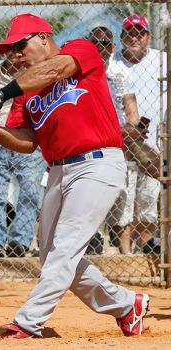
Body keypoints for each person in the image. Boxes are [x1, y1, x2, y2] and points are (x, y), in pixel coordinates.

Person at [0, 13, 149, 338]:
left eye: (21, 45)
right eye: (12, 50)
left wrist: (2, 93)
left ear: (44, 38)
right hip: (58, 170)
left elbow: (52, 70)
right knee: (54, 257)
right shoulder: (25, 93)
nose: (16, 54)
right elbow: (26, 142)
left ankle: (28, 321)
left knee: (63, 249)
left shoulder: (80, 51)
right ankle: (125, 305)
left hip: (98, 163)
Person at [0, 55, 46, 257]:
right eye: (12, 50)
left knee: (30, 192)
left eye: (21, 50)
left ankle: (19, 242)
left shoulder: (35, 76)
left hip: (27, 143)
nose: (17, 55)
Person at [105, 15, 162, 255]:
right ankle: (125, 253)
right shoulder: (111, 62)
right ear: (121, 37)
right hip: (120, 139)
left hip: (153, 140)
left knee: (149, 199)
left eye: (140, 33)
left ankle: (145, 248)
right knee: (123, 199)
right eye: (130, 32)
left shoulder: (162, 60)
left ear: (148, 36)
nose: (135, 37)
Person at [87, 26, 145, 253]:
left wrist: (125, 131)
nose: (99, 47)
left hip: (116, 137)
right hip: (89, 139)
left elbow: (132, 114)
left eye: (104, 43)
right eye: (94, 42)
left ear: (112, 47)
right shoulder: (79, 71)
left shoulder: (119, 73)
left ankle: (124, 250)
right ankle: (91, 239)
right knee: (89, 192)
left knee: (122, 194)